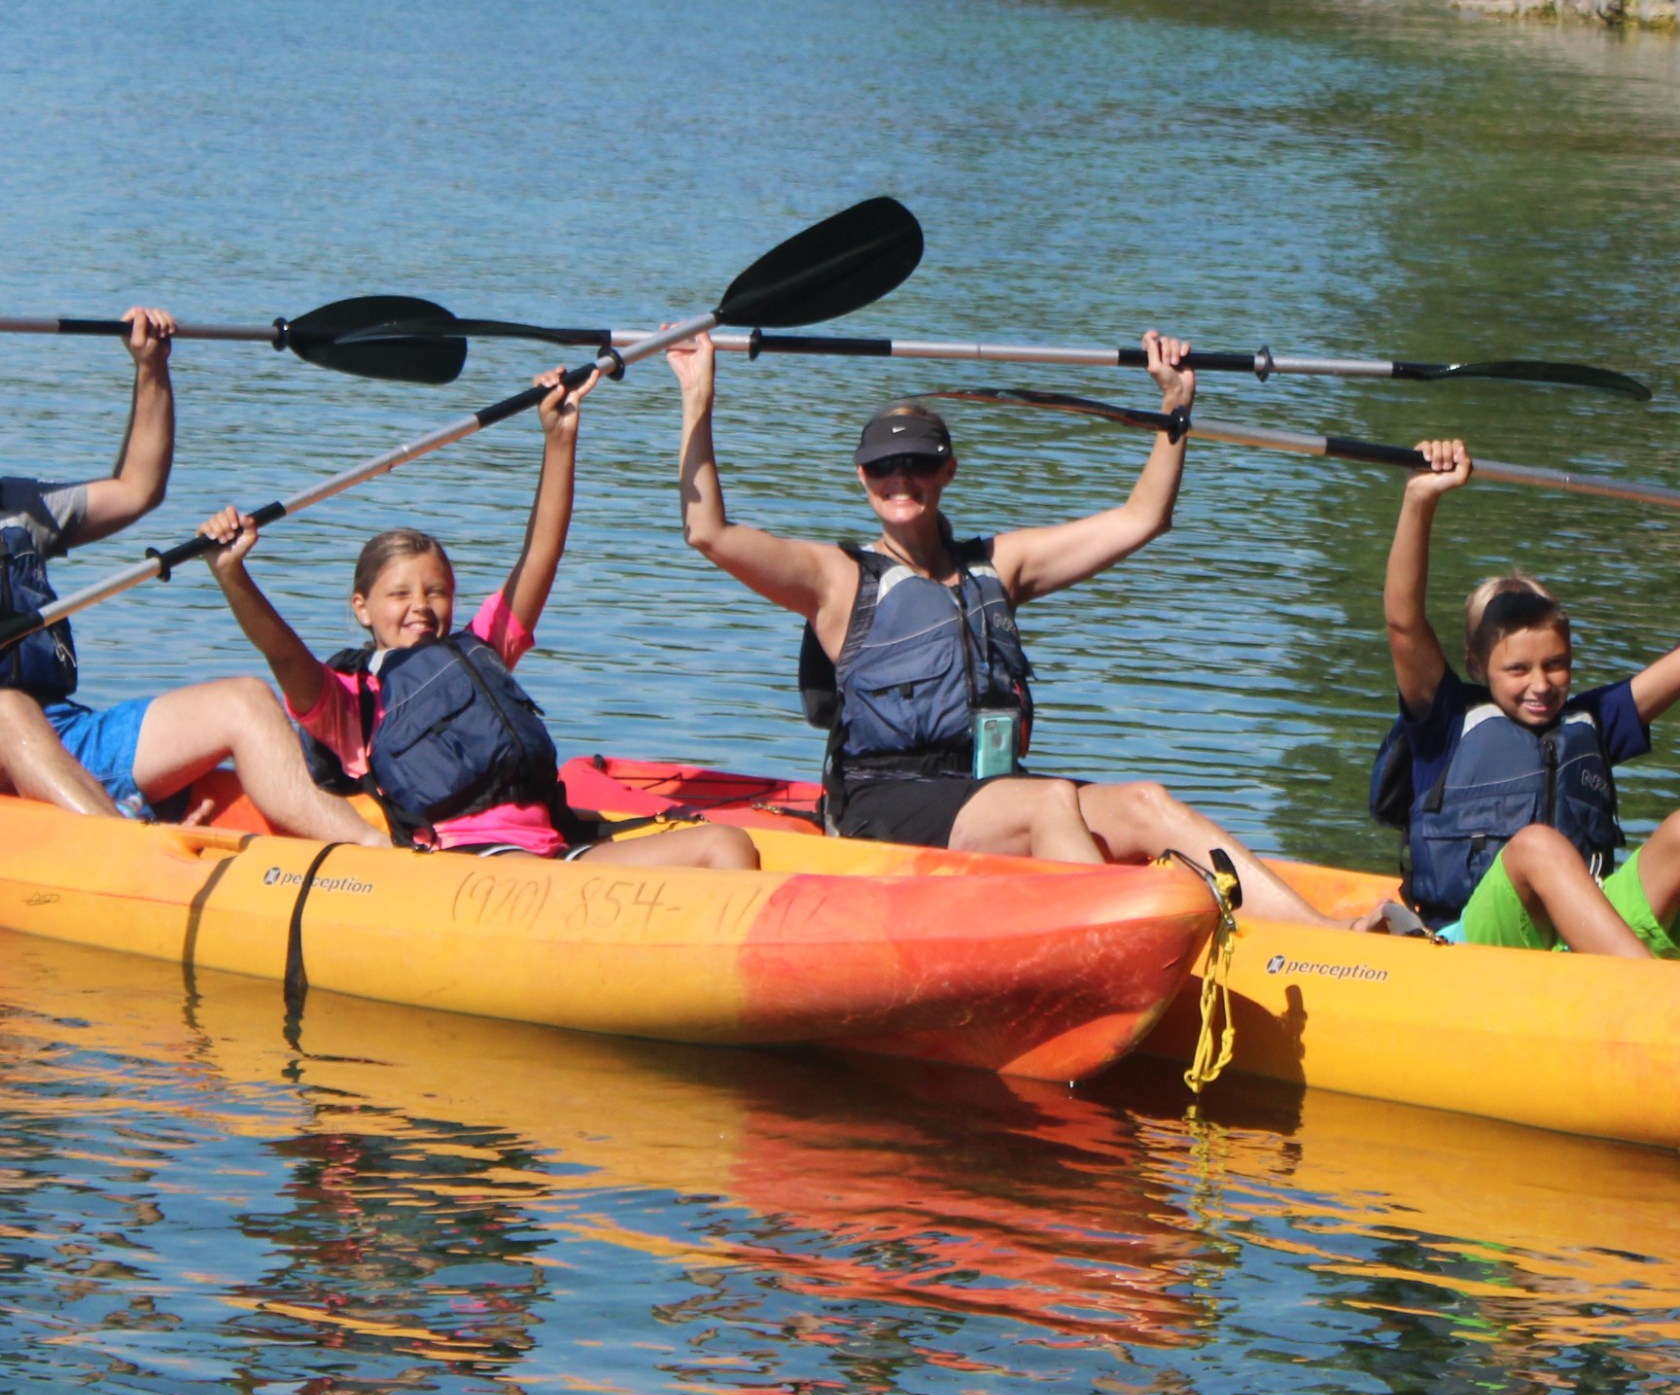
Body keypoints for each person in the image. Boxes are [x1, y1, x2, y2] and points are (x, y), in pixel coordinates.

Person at [669, 325, 1373, 930]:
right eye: (884, 467)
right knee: (1048, 802)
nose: (900, 479)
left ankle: (1319, 935)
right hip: (885, 801)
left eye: (917, 462)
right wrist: (698, 399)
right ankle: (1108, 936)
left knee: (1144, 803)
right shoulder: (836, 578)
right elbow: (708, 531)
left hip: (988, 789)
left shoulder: (998, 566)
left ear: (947, 469)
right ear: (862, 478)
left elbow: (1140, 520)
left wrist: (1175, 407)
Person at [198, 365, 759, 870]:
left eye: (436, 590)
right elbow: (281, 651)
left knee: (728, 844)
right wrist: (233, 575)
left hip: (558, 855)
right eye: (399, 594)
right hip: (468, 867)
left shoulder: (483, 647)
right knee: (535, 877)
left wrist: (559, 439)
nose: (420, 605)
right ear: (361, 608)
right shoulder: (350, 701)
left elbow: (542, 553)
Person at [0, 307, 383, 844]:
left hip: (61, 732)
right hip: (7, 728)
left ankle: (371, 852)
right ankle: (123, 848)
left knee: (245, 700)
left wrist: (151, 365)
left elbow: (138, 487)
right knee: (5, 707)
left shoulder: (22, 506)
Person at [1378, 437, 1680, 956]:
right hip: (1481, 941)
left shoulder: (1592, 721)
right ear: (1477, 663)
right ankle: (1653, 998)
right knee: (1538, 847)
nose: (1541, 685)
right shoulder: (1445, 718)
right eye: (1517, 668)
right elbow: (1404, 623)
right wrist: (1420, 499)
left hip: (1586, 940)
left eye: (1555, 664)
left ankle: (1635, 984)